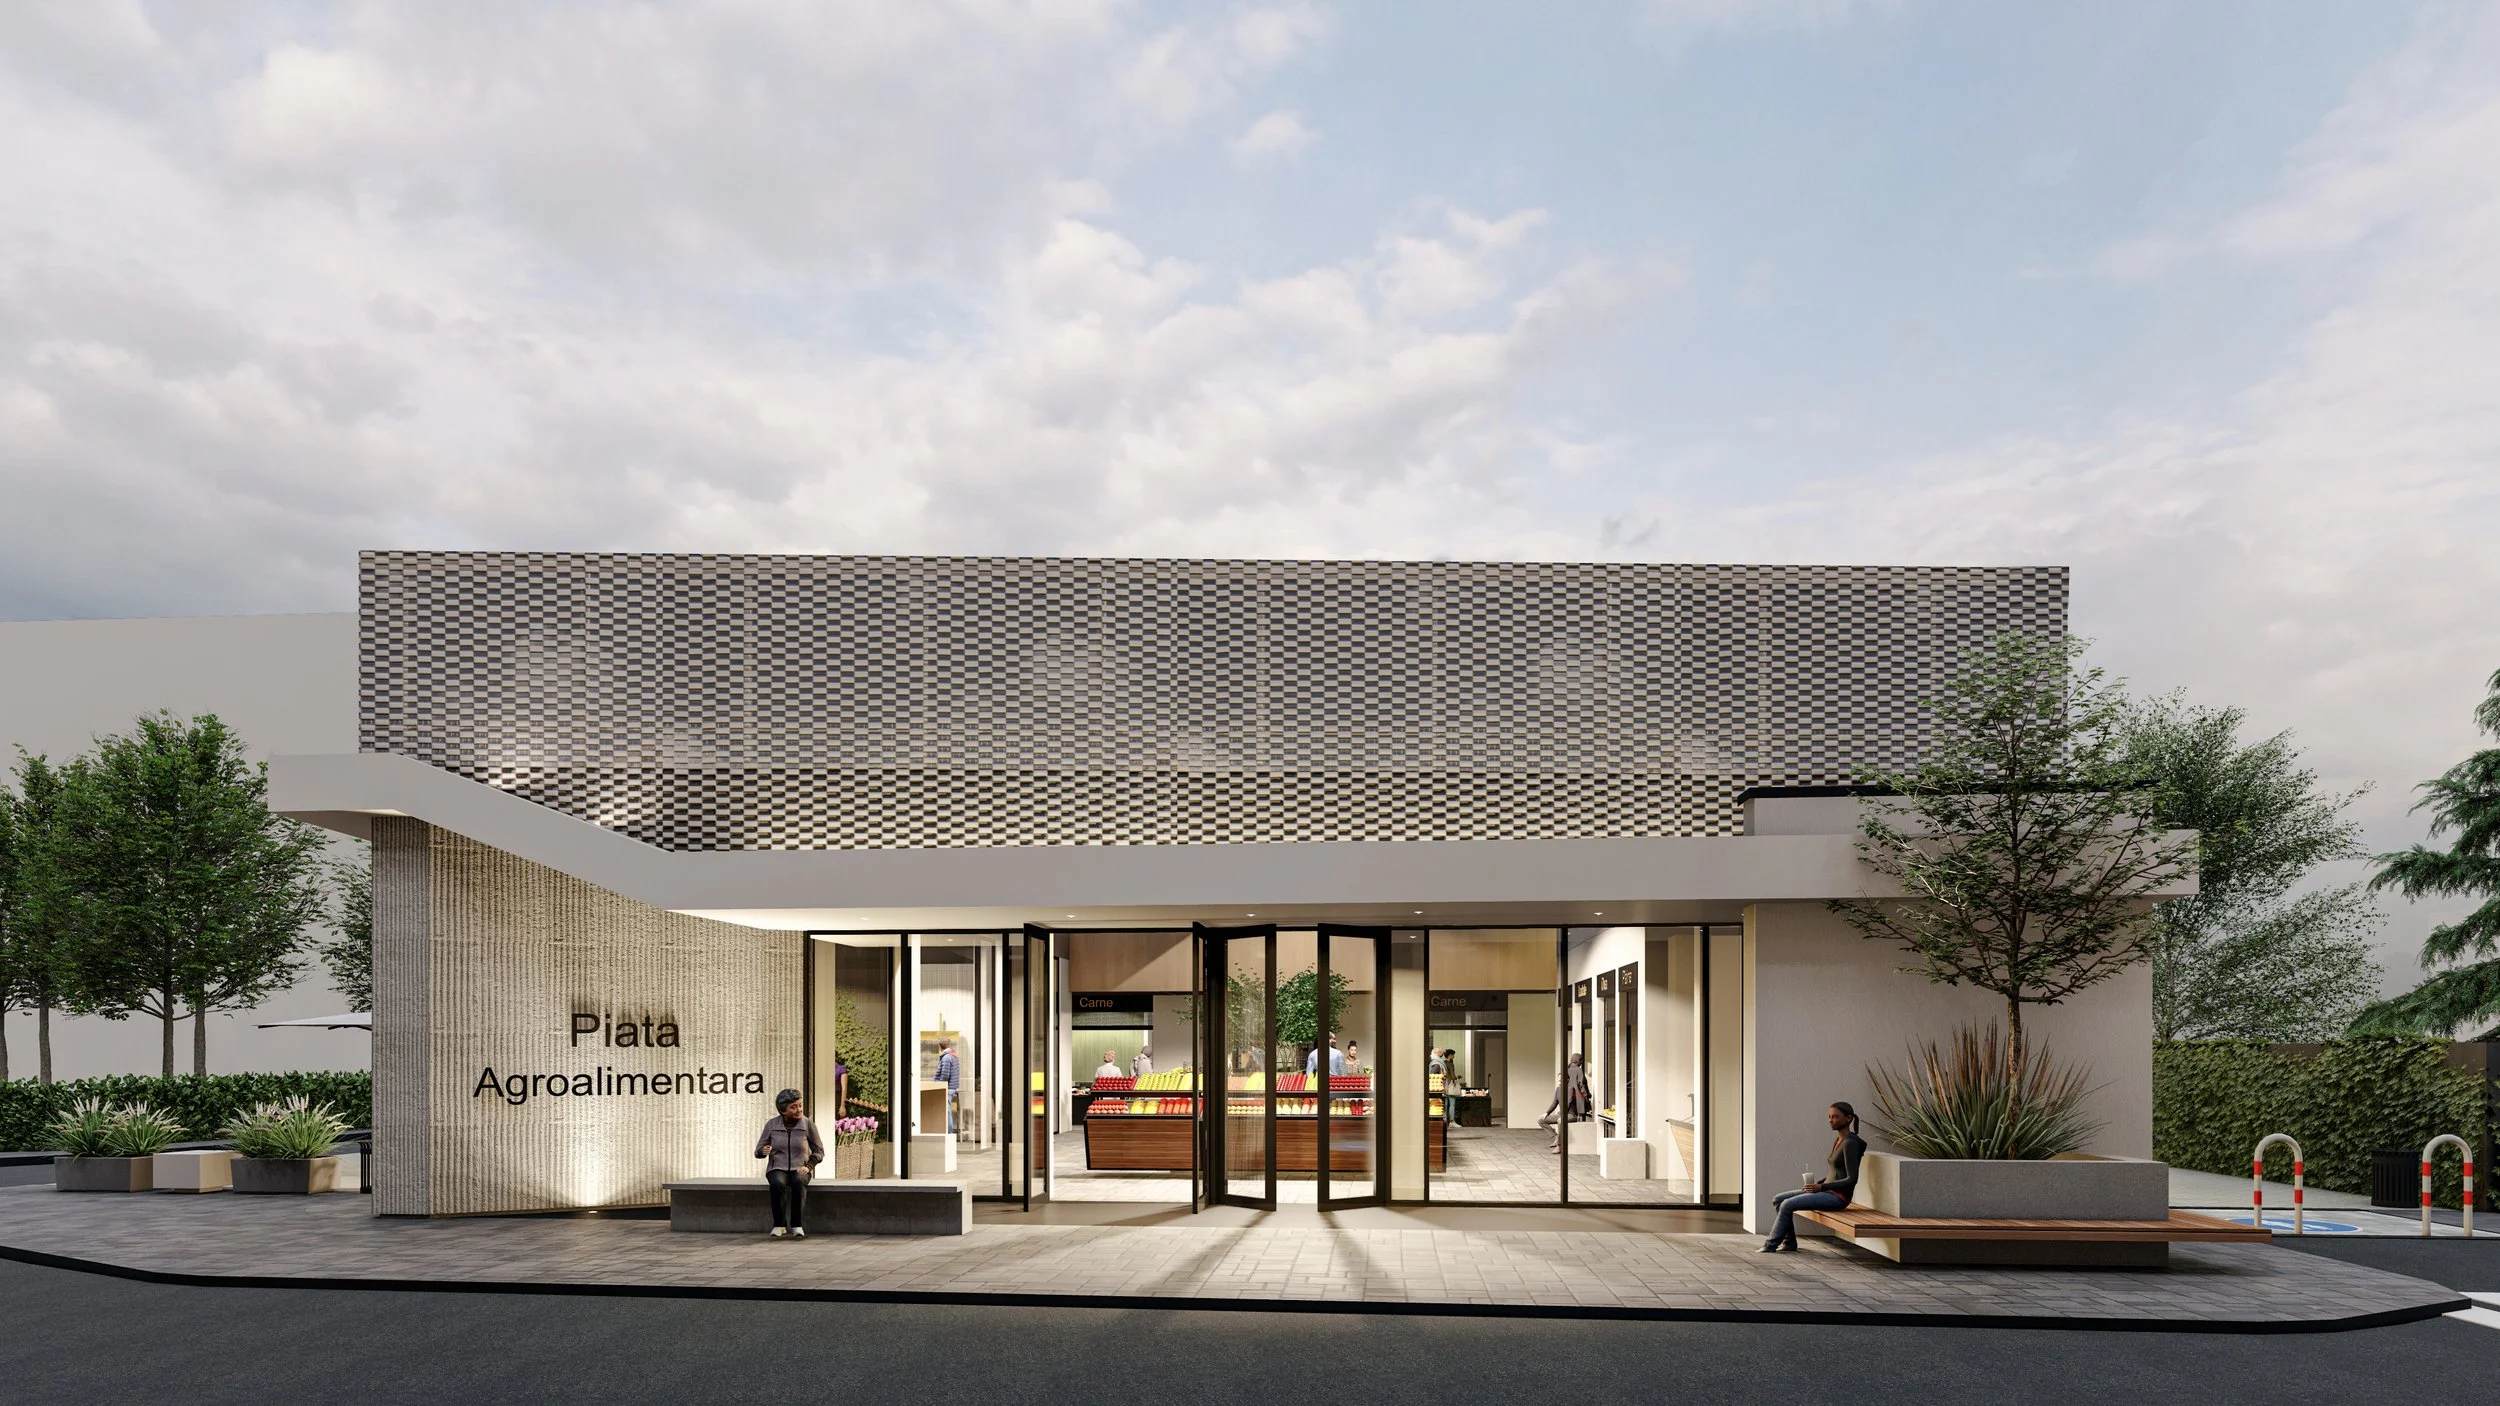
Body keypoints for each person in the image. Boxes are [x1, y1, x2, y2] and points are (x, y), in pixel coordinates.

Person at [1762, 1102, 1867, 1252]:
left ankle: (1770, 1245)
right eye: (1829, 1117)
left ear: (1849, 1118)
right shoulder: (1839, 1140)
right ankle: (1789, 1243)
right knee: (1778, 1199)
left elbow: (1852, 1179)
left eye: (1835, 1117)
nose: (1831, 1120)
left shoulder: (1850, 1143)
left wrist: (1821, 1187)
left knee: (1787, 1204)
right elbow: (1836, 1172)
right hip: (1826, 1191)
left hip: (1838, 1197)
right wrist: (1819, 1183)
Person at [754, 1088, 824, 1240]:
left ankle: (797, 1225)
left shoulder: (807, 1124)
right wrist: (763, 1151)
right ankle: (779, 1225)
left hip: (801, 1167)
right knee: (777, 1184)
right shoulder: (771, 1125)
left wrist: (809, 1166)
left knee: (798, 1181)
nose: (798, 1110)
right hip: (777, 1166)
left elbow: (819, 1151)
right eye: (793, 1107)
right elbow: (758, 1150)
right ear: (782, 1110)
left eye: (800, 1105)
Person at [1538, 1052, 1592, 1151]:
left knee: (1563, 1120)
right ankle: (1556, 1139)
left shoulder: (1567, 1072)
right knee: (1543, 1119)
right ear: (1579, 1061)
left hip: (1570, 1109)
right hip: (1576, 1103)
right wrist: (1587, 1095)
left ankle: (1559, 1143)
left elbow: (1565, 1102)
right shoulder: (1578, 1071)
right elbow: (1582, 1085)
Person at [932, 1040, 959, 1133]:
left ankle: (949, 1132)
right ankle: (948, 1131)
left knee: (947, 1111)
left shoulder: (947, 1057)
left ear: (940, 1046)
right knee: (947, 1110)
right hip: (951, 1087)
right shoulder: (953, 1055)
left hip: (947, 1087)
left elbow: (945, 1075)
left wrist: (938, 1083)